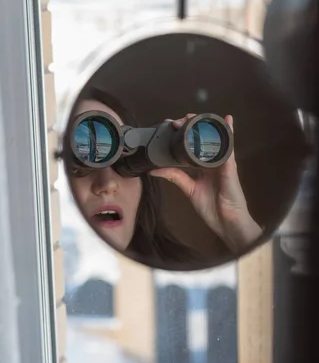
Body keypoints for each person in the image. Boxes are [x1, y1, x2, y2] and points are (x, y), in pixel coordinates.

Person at [57, 87, 262, 265]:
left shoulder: (177, 274)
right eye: (83, 157)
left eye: (122, 164)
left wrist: (236, 224)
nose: (107, 183)